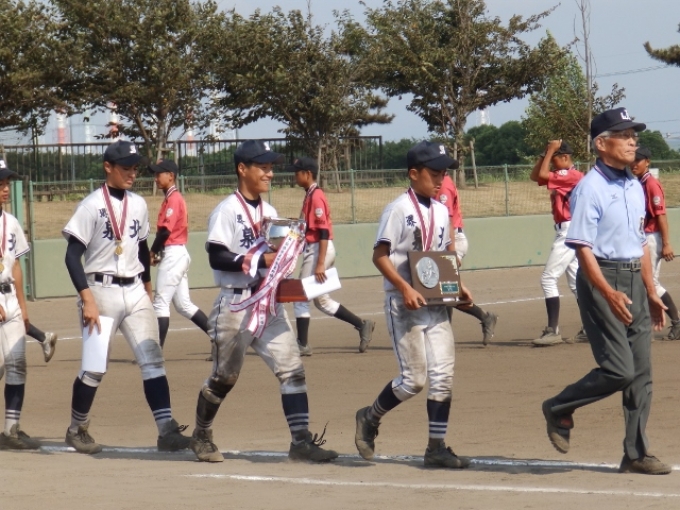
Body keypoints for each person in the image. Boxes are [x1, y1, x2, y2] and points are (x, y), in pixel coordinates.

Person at [188, 140, 338, 463]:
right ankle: (201, 434)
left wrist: (287, 265)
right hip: (235, 305)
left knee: (292, 370)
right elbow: (216, 256)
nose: (270, 173)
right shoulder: (227, 210)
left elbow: (277, 257)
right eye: (263, 167)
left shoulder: (270, 214)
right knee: (224, 378)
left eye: (271, 168)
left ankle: (301, 441)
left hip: (268, 304)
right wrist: (260, 260)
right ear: (242, 169)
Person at [541, 108, 671, 475]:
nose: (632, 141)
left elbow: (640, 244)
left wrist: (651, 291)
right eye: (624, 135)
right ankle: (559, 406)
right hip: (602, 279)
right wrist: (608, 293)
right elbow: (582, 249)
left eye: (633, 135)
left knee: (641, 373)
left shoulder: (634, 185)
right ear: (601, 144)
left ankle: (636, 453)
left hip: (634, 280)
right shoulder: (590, 188)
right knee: (619, 370)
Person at [62, 140, 190, 455]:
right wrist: (87, 299)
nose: (132, 173)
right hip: (100, 290)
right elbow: (71, 256)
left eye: (135, 168)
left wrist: (147, 284)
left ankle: (166, 430)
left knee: (153, 360)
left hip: (134, 290)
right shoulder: (91, 205)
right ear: (108, 167)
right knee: (94, 367)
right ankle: (77, 428)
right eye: (125, 168)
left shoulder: (139, 204)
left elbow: (142, 248)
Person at [354, 140, 471, 469]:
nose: (441, 180)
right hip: (403, 303)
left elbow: (446, 253)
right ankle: (369, 417)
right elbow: (379, 256)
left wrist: (458, 286)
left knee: (443, 376)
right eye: (435, 173)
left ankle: (436, 447)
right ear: (414, 173)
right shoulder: (398, 209)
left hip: (436, 302)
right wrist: (404, 287)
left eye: (444, 174)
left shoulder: (442, 210)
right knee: (414, 381)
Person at [288, 157, 375, 356]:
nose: (294, 176)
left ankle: (302, 344)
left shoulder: (316, 196)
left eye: (297, 172)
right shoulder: (310, 194)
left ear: (307, 174)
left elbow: (324, 231)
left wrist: (320, 263)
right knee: (321, 300)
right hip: (317, 248)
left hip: (320, 249)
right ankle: (362, 325)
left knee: (301, 295)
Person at [148, 159, 211, 350]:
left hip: (174, 254)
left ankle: (155, 352)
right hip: (175, 253)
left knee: (160, 304)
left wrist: (153, 251)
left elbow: (165, 232)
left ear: (171, 176)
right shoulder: (170, 198)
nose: (156, 178)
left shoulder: (174, 199)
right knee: (184, 305)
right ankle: (220, 339)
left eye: (159, 174)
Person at [529, 140, 587, 347]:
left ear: (564, 157)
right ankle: (592, 326)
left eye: (553, 159)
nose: (551, 163)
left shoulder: (571, 174)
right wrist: (545, 153)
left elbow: (543, 175)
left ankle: (553, 330)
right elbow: (535, 176)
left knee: (548, 278)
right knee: (576, 284)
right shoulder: (564, 174)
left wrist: (551, 150)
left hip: (569, 231)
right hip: (569, 229)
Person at [0, 158, 40, 450]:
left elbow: (15, 266)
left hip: (10, 298)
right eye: (0, 183)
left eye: (6, 183)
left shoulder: (10, 222)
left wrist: (23, 308)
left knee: (17, 364)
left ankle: (11, 429)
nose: (5, 188)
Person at [436, 168, 497, 345]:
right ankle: (485, 318)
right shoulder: (438, 183)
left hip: (452, 239)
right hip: (444, 239)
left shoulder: (443, 186)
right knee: (444, 291)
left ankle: (444, 335)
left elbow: (448, 221)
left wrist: (450, 253)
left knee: (445, 291)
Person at [630, 146, 680, 340]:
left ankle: (676, 321)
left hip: (652, 237)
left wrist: (666, 243)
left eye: (638, 160)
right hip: (644, 237)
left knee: (651, 282)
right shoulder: (639, 182)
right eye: (632, 160)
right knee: (643, 281)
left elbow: (661, 215)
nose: (634, 164)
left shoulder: (651, 183)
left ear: (647, 162)